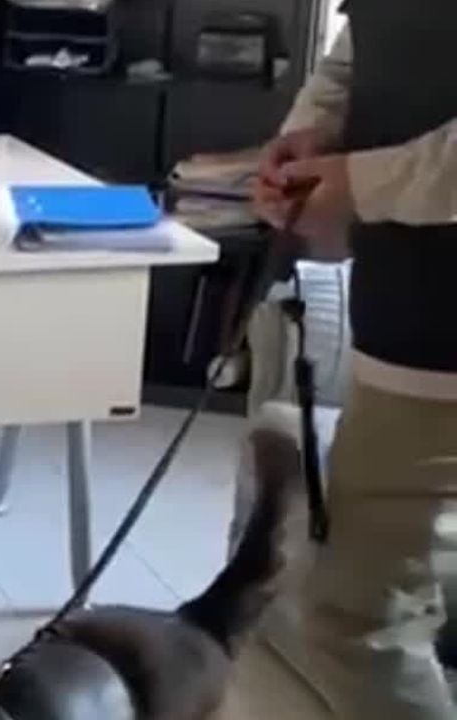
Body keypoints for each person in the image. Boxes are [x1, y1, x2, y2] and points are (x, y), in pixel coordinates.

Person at [252, 4, 457, 719]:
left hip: (437, 355)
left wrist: (358, 182)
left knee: (357, 620)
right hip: (408, 318)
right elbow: (366, 38)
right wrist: (314, 131)